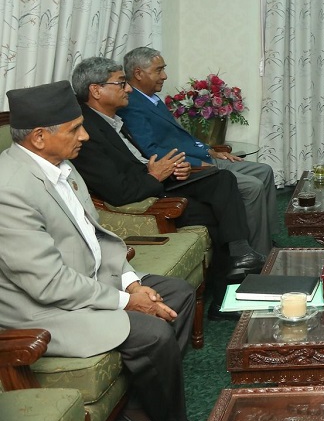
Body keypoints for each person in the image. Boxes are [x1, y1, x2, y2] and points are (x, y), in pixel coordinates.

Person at [0, 81, 202, 421]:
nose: (86, 136)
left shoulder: (62, 165)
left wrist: (131, 282)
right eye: (75, 128)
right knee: (152, 331)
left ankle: (135, 414)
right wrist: (128, 302)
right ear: (40, 137)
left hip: (88, 282)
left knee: (178, 293)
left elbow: (98, 235)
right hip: (44, 310)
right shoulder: (9, 190)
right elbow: (48, 283)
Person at [70, 57, 265, 302]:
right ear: (96, 90)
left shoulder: (112, 120)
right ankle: (228, 285)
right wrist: (156, 174)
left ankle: (239, 258)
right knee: (219, 207)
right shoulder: (86, 132)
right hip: (140, 199)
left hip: (153, 181)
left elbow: (139, 161)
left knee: (222, 180)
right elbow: (118, 191)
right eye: (121, 83)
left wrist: (173, 169)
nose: (128, 89)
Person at [118, 47, 275, 254]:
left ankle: (267, 240)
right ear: (138, 73)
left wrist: (210, 151)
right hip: (189, 167)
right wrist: (195, 162)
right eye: (159, 70)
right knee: (252, 186)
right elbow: (151, 151)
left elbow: (180, 137)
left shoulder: (151, 98)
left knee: (264, 171)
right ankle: (258, 253)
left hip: (202, 157)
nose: (164, 76)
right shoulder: (131, 105)